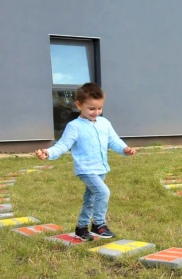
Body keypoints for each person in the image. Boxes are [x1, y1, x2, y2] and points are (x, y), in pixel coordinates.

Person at [35, 82, 135, 240]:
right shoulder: (74, 126)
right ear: (79, 105)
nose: (96, 112)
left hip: (101, 168)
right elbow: (63, 145)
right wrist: (48, 152)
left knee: (91, 198)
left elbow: (114, 140)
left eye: (99, 108)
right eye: (91, 109)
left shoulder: (104, 123)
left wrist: (124, 149)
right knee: (103, 192)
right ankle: (99, 224)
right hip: (86, 169)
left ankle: (81, 228)